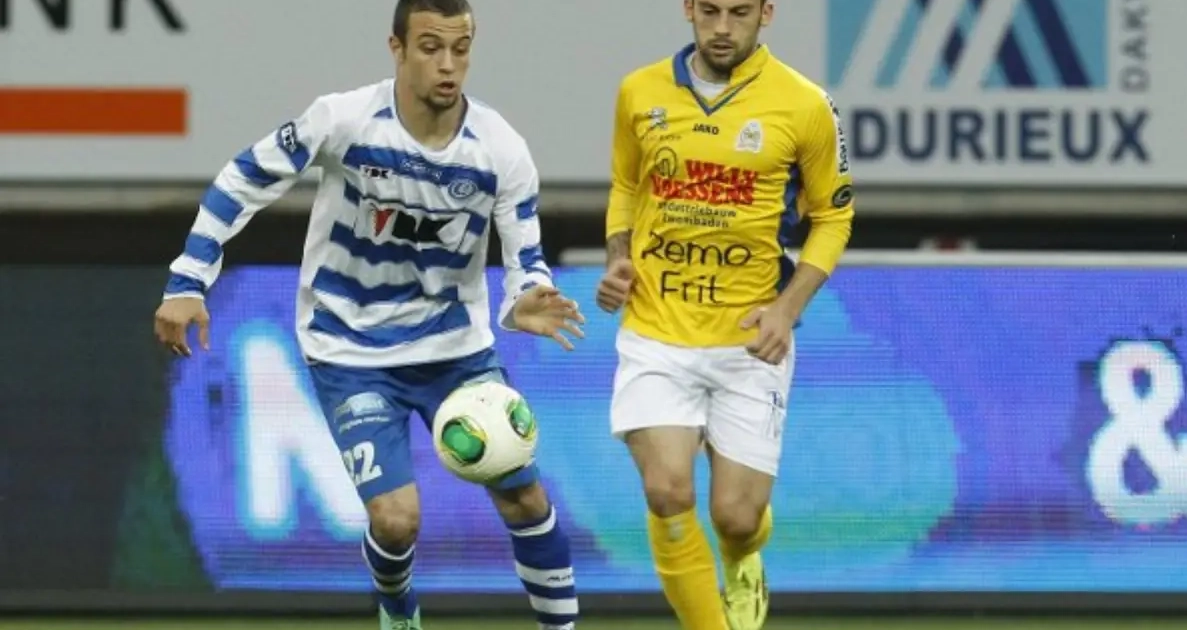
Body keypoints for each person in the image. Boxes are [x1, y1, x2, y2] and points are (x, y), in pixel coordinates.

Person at [152, 1, 584, 628]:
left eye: (461, 49)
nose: (448, 64)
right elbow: (244, 177)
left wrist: (527, 300)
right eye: (431, 47)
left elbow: (527, 260)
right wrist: (188, 279)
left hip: (455, 352)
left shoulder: (500, 150)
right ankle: (398, 610)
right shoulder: (344, 120)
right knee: (396, 519)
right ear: (397, 48)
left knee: (524, 495)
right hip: (349, 350)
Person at [595, 1, 856, 629]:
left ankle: (744, 556)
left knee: (736, 519)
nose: (721, 27)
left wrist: (787, 311)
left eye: (739, 12)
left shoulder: (805, 104)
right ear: (688, 7)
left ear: (766, 12)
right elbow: (626, 186)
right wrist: (618, 259)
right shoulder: (639, 91)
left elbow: (834, 216)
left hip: (749, 340)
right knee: (667, 490)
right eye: (709, 10)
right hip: (657, 332)